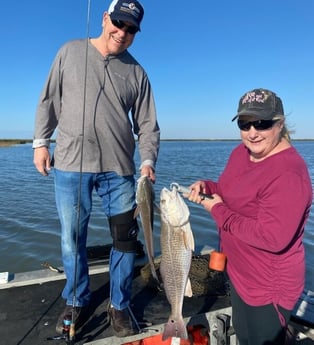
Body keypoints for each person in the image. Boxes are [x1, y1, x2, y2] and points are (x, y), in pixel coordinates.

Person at [33, 0, 160, 337]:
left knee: (124, 242)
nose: (122, 33)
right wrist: (40, 143)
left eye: (131, 28)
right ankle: (76, 297)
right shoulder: (70, 52)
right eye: (118, 23)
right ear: (105, 18)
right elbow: (48, 100)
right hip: (71, 167)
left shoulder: (137, 72)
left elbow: (147, 126)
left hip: (119, 172)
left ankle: (119, 304)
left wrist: (147, 162)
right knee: (72, 239)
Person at [187, 88, 312, 345]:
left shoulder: (288, 173)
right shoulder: (241, 152)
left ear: (280, 123)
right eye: (245, 124)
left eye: (262, 123)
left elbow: (272, 237)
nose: (252, 132)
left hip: (268, 287)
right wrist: (208, 187)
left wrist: (218, 211)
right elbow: (229, 191)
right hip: (240, 273)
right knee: (244, 337)